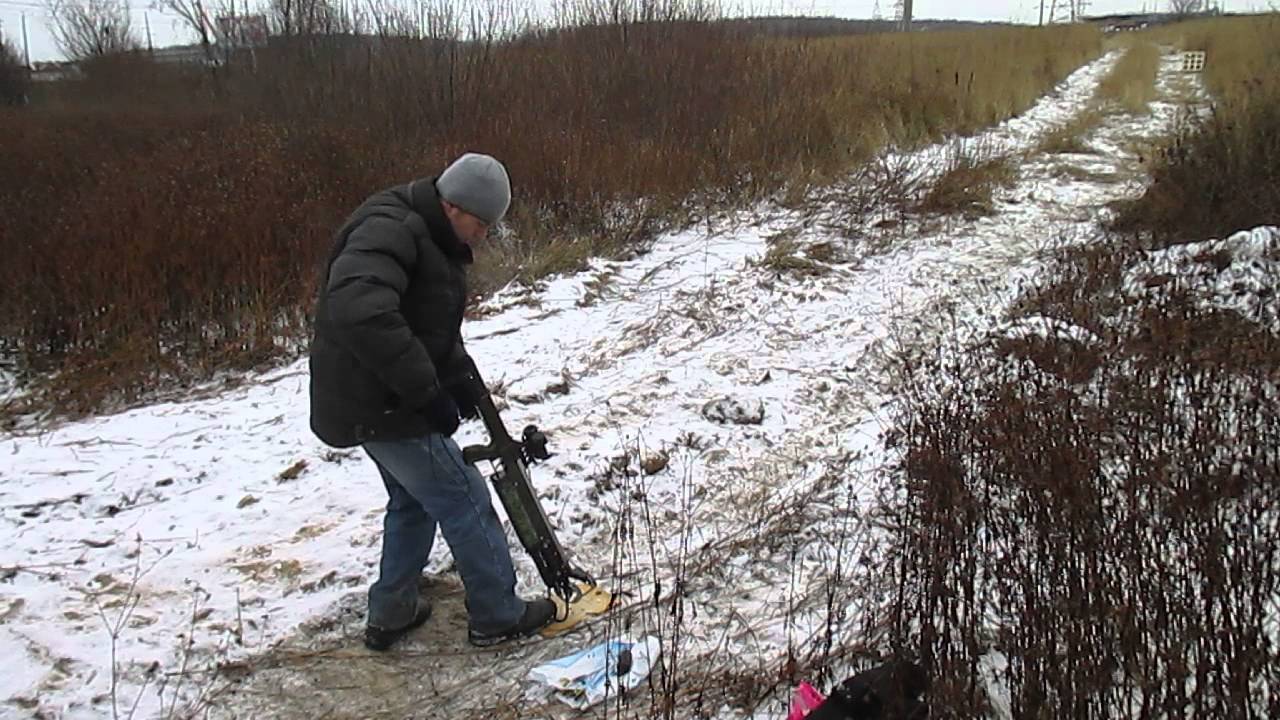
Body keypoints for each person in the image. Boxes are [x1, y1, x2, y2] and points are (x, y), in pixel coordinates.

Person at [308, 153, 555, 651]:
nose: (482, 236)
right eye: (481, 223)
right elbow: (361, 310)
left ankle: (393, 610)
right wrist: (426, 392)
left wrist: (458, 378)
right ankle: (497, 615)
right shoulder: (392, 229)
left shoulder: (426, 232)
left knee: (414, 501)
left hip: (370, 398)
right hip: (383, 402)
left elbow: (426, 321)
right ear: (454, 205)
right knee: (464, 498)